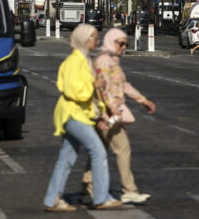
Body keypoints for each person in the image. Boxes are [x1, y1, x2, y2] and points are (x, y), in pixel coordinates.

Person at [43, 23, 121, 212]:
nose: (98, 41)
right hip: (73, 114)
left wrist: (102, 112)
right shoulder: (74, 62)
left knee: (67, 158)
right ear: (85, 40)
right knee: (98, 151)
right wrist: (95, 84)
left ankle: (52, 199)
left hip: (80, 114)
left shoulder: (84, 60)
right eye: (94, 38)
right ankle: (101, 198)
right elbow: (73, 91)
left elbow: (90, 94)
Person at [81, 28, 156, 204]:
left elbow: (124, 85)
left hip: (108, 112)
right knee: (122, 148)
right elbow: (101, 88)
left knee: (98, 150)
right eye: (120, 43)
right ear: (110, 41)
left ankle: (87, 188)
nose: (123, 47)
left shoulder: (112, 61)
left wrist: (143, 101)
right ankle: (128, 189)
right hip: (107, 113)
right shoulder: (104, 61)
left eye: (125, 44)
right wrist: (111, 108)